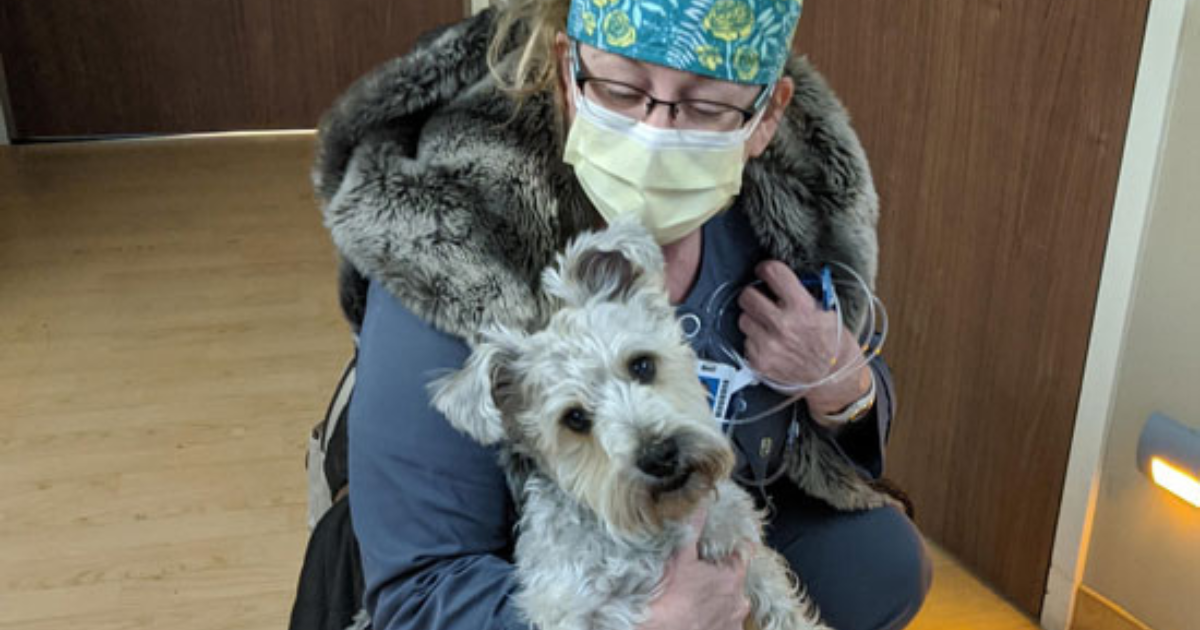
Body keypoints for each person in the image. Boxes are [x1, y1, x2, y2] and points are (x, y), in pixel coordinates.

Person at [311, 1, 932, 629]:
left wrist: (844, 389)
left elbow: (836, 433)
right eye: (621, 88)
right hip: (540, 581)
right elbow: (420, 589)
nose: (657, 131)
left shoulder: (783, 220)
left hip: (712, 506)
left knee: (879, 563)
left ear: (765, 115)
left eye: (706, 105)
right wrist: (649, 622)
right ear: (567, 74)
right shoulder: (448, 250)